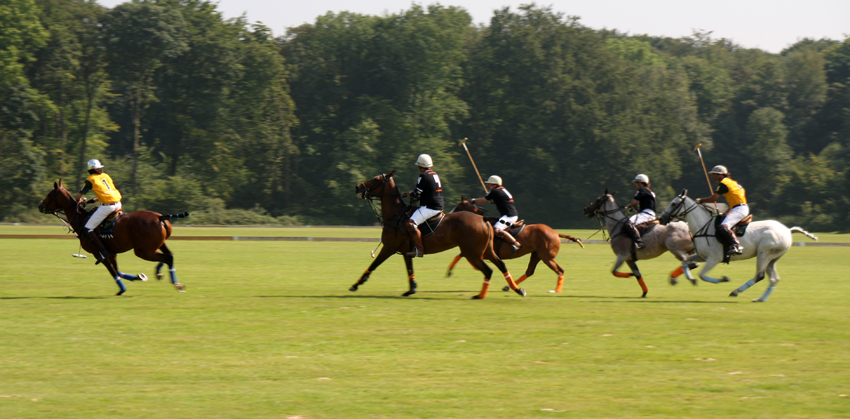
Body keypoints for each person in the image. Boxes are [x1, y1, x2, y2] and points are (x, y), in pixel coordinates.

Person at [74, 159, 122, 261]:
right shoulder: (106, 176)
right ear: (100, 168)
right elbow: (105, 194)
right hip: (118, 204)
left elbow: (79, 195)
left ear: (90, 170)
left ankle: (104, 252)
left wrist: (78, 200)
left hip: (107, 207)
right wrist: (89, 202)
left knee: (87, 228)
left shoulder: (90, 179)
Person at [696, 165, 747, 255]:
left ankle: (737, 246)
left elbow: (713, 198)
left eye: (714, 174)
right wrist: (726, 213)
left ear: (720, 175)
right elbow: (735, 202)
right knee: (722, 220)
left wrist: (701, 200)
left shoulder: (723, 183)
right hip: (738, 208)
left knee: (723, 227)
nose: (712, 176)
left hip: (739, 209)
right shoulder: (731, 182)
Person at [400, 154, 443, 257]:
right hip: (438, 204)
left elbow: (416, 194)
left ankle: (419, 250)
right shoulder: (434, 174)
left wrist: (408, 195)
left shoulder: (423, 176)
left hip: (430, 207)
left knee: (411, 224)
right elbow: (427, 191)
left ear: (420, 166)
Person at [470, 175, 521, 253]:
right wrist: (491, 198)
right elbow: (500, 200)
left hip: (509, 216)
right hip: (511, 214)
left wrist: (473, 200)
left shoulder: (495, 191)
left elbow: (481, 201)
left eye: (489, 184)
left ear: (494, 184)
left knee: (496, 229)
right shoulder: (502, 189)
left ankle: (515, 243)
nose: (488, 186)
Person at [623, 174, 656, 249]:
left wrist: (633, 206)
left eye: (636, 183)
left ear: (640, 183)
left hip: (646, 214)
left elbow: (634, 202)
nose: (635, 185)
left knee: (628, 223)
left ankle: (638, 242)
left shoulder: (641, 190)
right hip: (651, 213)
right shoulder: (651, 192)